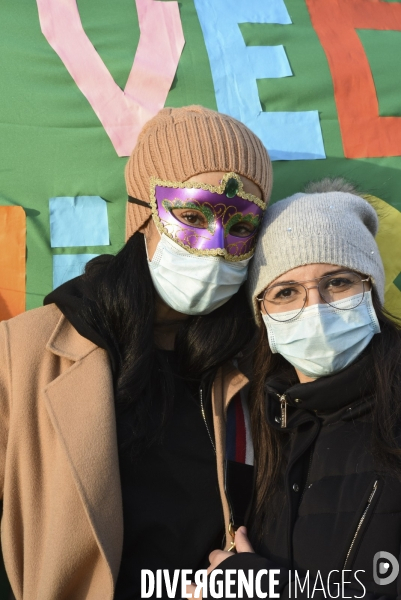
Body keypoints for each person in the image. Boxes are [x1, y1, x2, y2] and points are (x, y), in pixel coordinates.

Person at [0, 105, 272, 600]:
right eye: (191, 215)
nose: (213, 247)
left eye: (239, 228)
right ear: (142, 213)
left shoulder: (257, 364)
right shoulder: (23, 354)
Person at [205, 179, 401, 600]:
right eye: (286, 292)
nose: (316, 307)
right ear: (263, 315)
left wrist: (257, 588)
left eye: (338, 282)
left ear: (372, 291)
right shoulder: (263, 427)